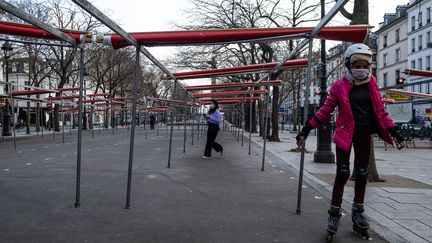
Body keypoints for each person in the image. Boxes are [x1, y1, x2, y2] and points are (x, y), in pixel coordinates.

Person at [295, 43, 406, 240]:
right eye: (357, 64)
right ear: (348, 64)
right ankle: (334, 214)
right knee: (342, 173)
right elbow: (325, 111)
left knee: (362, 174)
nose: (361, 69)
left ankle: (358, 211)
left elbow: (381, 112)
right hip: (345, 134)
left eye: (365, 65)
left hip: (364, 135)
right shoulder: (339, 86)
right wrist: (306, 129)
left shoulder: (372, 84)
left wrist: (395, 131)